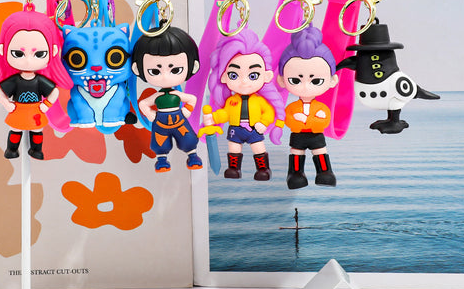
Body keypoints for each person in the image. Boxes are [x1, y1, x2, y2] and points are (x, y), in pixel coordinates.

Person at [0, 8, 73, 160]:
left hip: (35, 109)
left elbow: (54, 92)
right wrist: (6, 104)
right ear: (3, 50)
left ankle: (36, 150)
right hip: (18, 108)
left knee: (37, 130)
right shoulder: (15, 80)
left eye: (39, 54)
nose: (28, 61)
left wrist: (47, 105)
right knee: (15, 129)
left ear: (52, 51)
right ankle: (12, 149)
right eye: (18, 53)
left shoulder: (39, 80)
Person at [203, 28, 284, 181]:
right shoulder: (231, 101)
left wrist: (264, 123)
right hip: (236, 129)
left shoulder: (259, 100)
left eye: (253, 75)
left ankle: (263, 169)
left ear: (266, 76)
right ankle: (234, 168)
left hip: (254, 128)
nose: (244, 82)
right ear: (224, 77)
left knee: (258, 148)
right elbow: (225, 113)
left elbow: (268, 112)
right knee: (234, 148)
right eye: (234, 75)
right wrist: (213, 118)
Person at [131, 25, 202, 173]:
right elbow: (143, 104)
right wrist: (151, 115)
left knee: (188, 139)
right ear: (137, 69)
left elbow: (191, 99)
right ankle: (162, 160)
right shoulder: (157, 96)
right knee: (160, 142)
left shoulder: (177, 95)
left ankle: (193, 156)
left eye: (175, 70)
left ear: (193, 66)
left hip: (179, 119)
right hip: (160, 122)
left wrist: (186, 111)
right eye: (155, 71)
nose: (164, 76)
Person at [277, 25, 338, 188]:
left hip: (316, 135)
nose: (305, 87)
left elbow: (324, 121)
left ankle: (325, 172)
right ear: (282, 80)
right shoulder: (292, 108)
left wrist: (307, 120)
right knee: (296, 153)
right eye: (296, 80)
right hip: (298, 135)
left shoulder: (321, 108)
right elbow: (288, 120)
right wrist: (300, 120)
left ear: (332, 80)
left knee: (320, 152)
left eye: (316, 81)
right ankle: (295, 174)